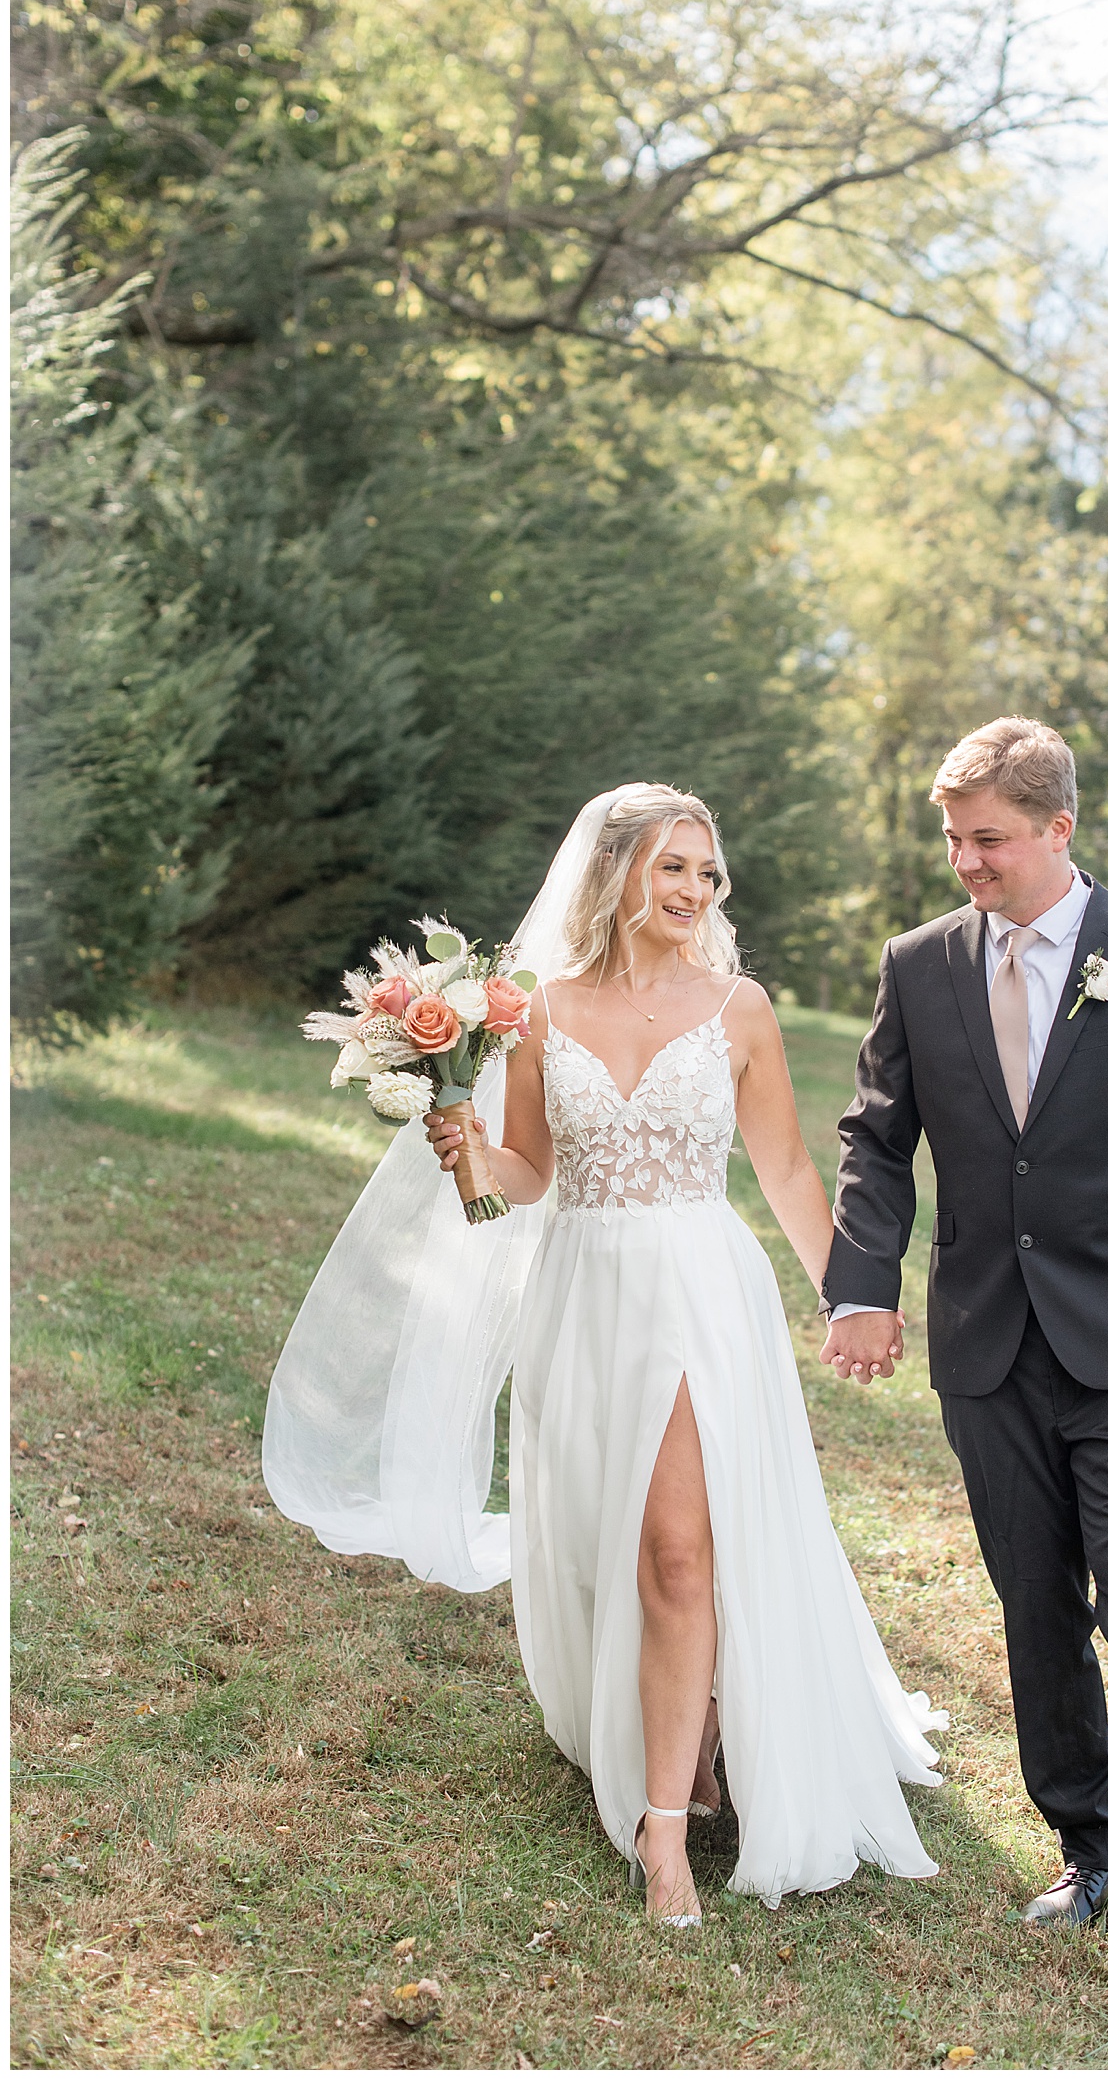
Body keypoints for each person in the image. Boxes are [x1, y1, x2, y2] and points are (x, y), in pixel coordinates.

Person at [264, 784, 943, 1928]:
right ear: (615, 872)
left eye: (706, 874)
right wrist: (467, 1153)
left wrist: (854, 1296)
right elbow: (522, 1182)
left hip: (697, 1291)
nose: (692, 892)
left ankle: (665, 1828)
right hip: (581, 1299)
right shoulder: (534, 1012)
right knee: (612, 1547)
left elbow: (782, 1170)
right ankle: (700, 1731)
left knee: (682, 1554)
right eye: (671, 868)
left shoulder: (741, 1008)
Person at [818, 717, 1108, 1980]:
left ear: (1059, 829)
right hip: (986, 1342)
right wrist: (863, 1285)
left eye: (989, 838)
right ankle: (1088, 1838)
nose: (966, 860)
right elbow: (875, 1136)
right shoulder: (921, 962)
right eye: (953, 838)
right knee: (1033, 1608)